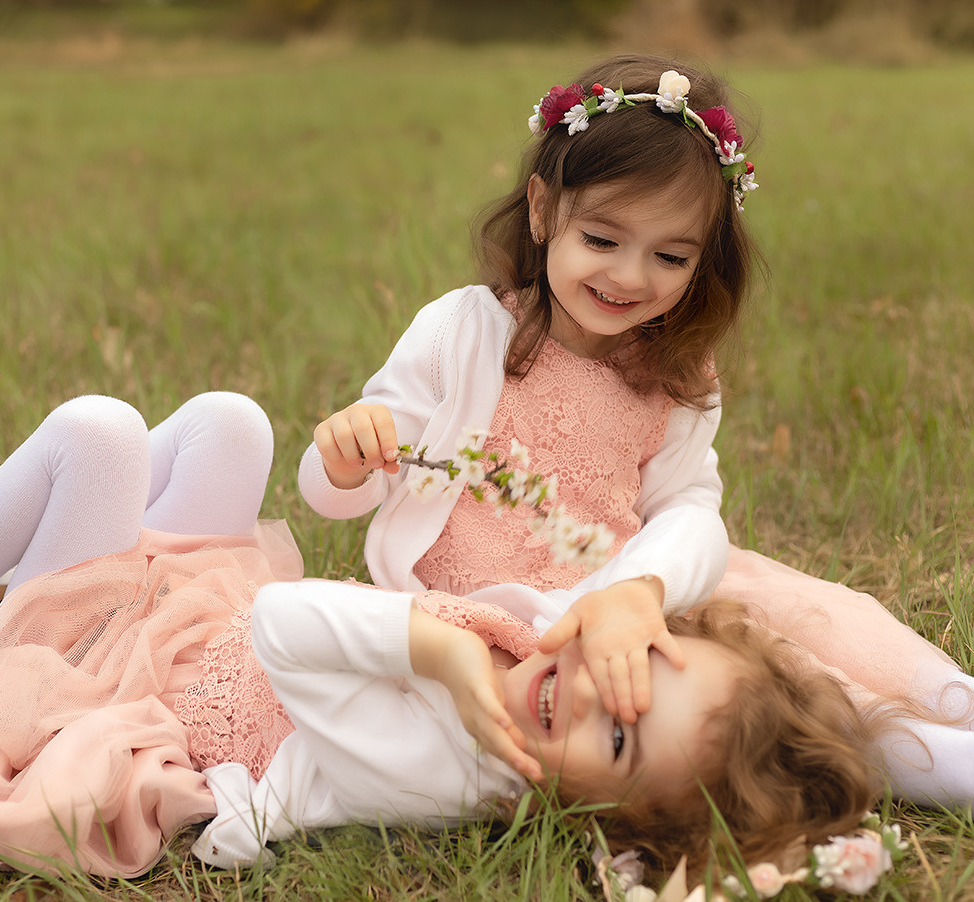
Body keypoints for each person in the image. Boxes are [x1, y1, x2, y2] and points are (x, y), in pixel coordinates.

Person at [300, 52, 974, 809]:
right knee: (737, 704)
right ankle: (913, 758)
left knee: (774, 607)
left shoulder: (677, 374)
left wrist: (641, 587)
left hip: (623, 592)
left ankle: (948, 700)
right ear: (542, 210)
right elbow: (341, 493)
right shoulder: (462, 333)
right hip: (501, 627)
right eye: (602, 240)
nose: (628, 277)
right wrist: (347, 463)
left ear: (702, 261)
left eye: (669, 256)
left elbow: (689, 508)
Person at [0, 395, 876, 879]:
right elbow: (682, 534)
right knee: (232, 426)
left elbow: (284, 622)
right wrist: (620, 598)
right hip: (199, 617)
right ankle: (21, 546)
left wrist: (438, 649)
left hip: (132, 655)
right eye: (632, 664)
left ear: (606, 814)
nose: (591, 689)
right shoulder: (533, 658)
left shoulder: (444, 757)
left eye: (619, 738)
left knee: (98, 435)